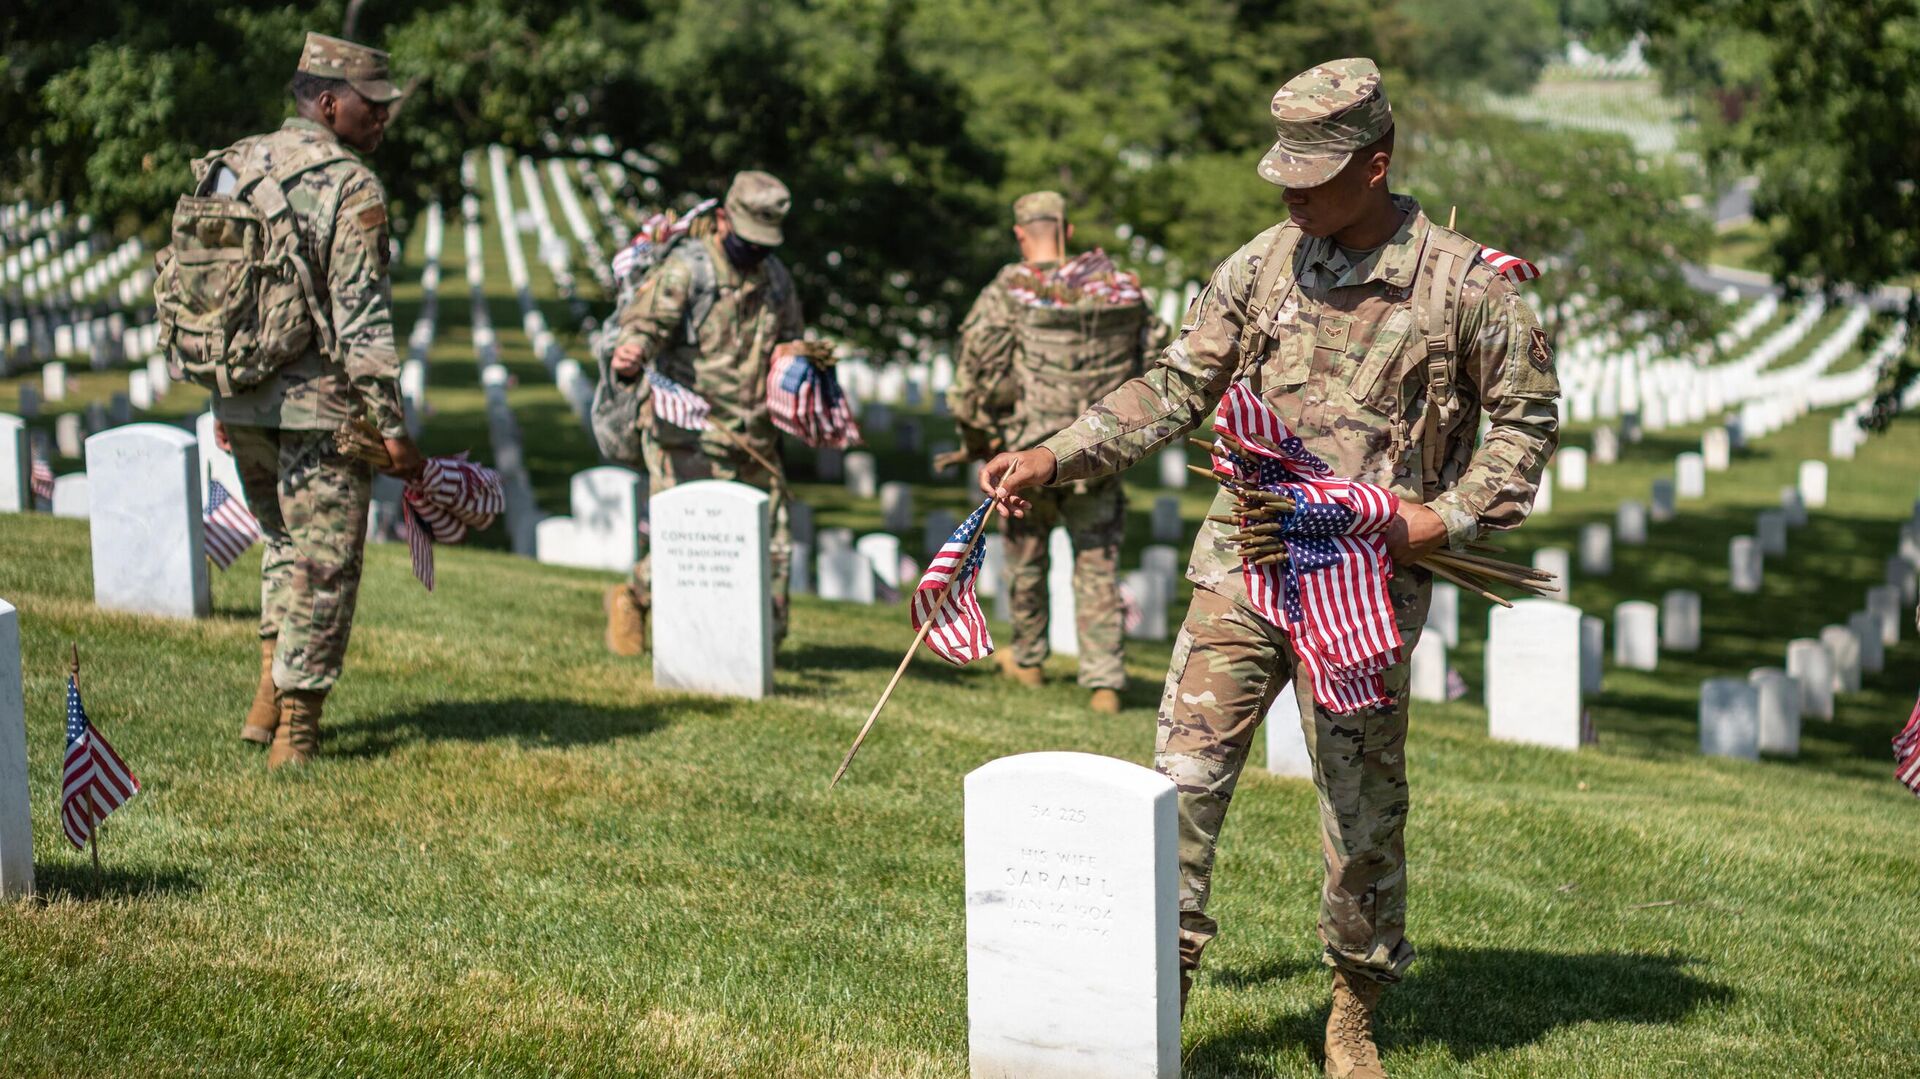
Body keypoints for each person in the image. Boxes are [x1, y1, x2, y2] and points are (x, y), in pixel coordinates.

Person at [979, 59, 1559, 1078]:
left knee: (1361, 810)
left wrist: (1443, 517)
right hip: (1242, 567)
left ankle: (1352, 1010)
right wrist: (1053, 453)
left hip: (1365, 590)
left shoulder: (1467, 287)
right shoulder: (1266, 262)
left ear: (1376, 163)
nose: (1290, 190)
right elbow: (1177, 385)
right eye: (1283, 168)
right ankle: (1154, 995)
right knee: (1180, 786)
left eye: (1313, 173)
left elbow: (1525, 420)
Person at [211, 32, 422, 769]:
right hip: (320, 409)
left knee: (282, 544)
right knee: (326, 563)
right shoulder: (351, 185)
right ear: (329, 104)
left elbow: (209, 296)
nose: (383, 116)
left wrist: (222, 396)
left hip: (241, 396)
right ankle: (297, 727)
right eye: (373, 104)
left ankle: (266, 698)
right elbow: (363, 323)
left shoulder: (232, 166)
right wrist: (393, 429)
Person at [955, 192, 1158, 714]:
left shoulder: (1011, 288)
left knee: (1025, 559)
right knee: (1098, 565)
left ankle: (1028, 661)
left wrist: (981, 435)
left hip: (1027, 452)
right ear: (1066, 232)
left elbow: (977, 364)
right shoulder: (1119, 288)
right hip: (1098, 450)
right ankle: (1105, 682)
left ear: (1021, 234)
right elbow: (1155, 356)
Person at [602, 171, 804, 655]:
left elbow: (792, 334)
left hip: (755, 435)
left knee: (774, 547)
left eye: (764, 243)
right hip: (689, 432)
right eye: (748, 240)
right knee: (687, 539)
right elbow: (644, 324)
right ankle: (633, 599)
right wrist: (632, 350)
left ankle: (760, 645)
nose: (755, 251)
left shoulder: (776, 278)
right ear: (723, 219)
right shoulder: (688, 269)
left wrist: (794, 354)